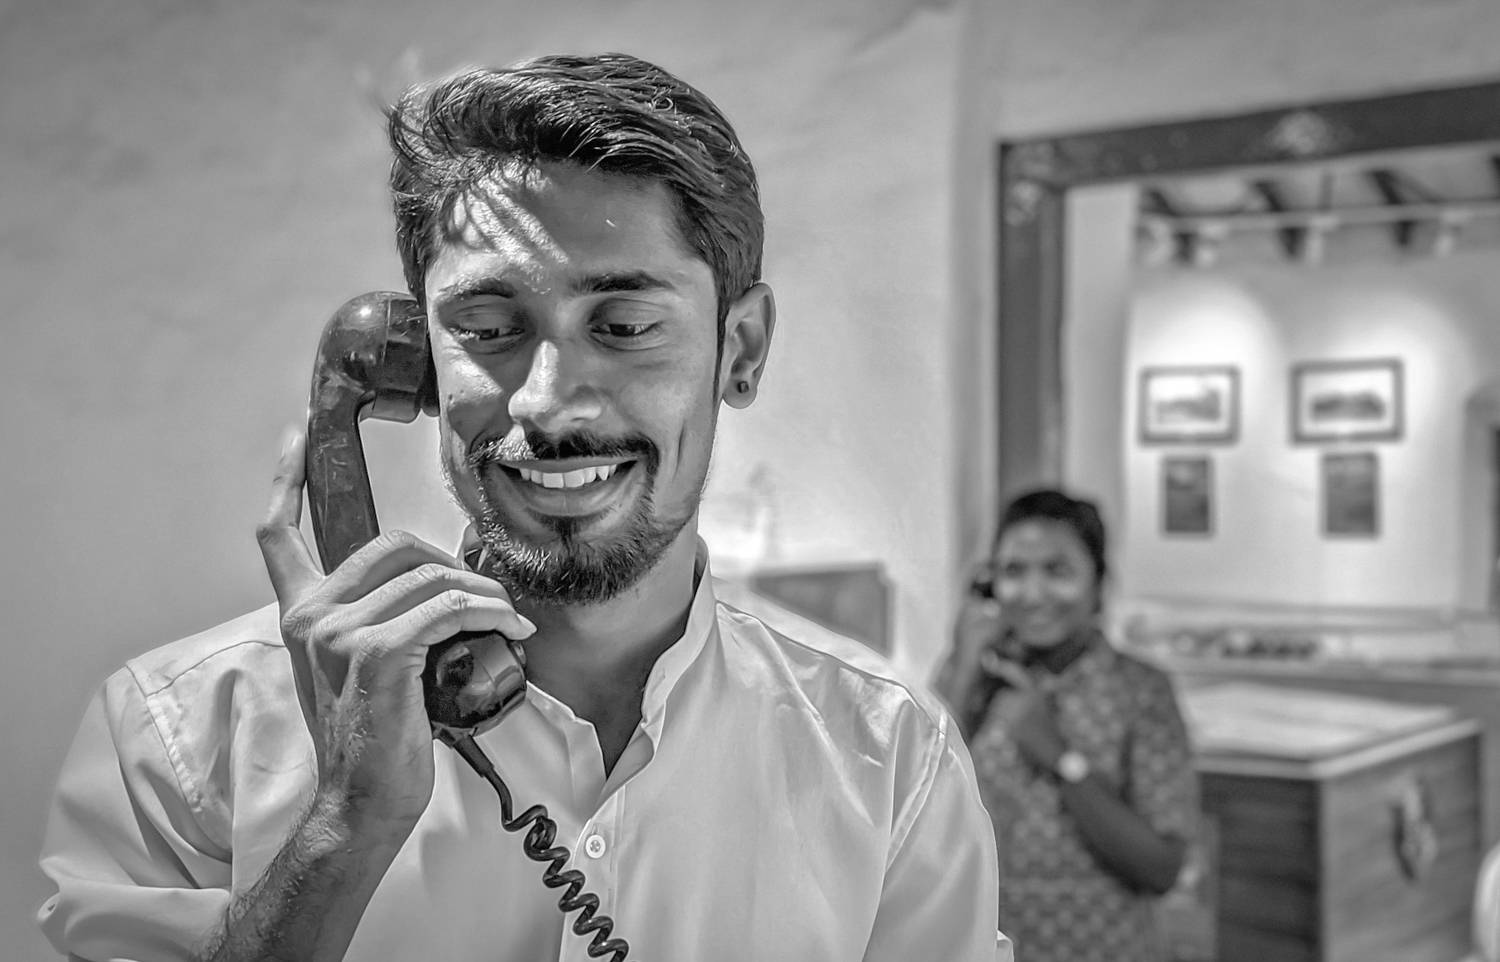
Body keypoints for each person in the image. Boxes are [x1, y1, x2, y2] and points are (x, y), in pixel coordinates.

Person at [36, 53, 1009, 961]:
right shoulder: (182, 730)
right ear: (417, 359)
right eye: (490, 328)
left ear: (741, 349)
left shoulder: (890, 757)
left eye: (624, 325)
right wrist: (341, 828)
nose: (548, 403)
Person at [934, 487, 1197, 962]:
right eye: (1014, 572)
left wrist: (1059, 758)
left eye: (1057, 572)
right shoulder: (972, 682)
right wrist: (966, 666)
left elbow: (1162, 867)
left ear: (1098, 583)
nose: (1033, 594)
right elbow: (921, 810)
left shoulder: (1141, 691)